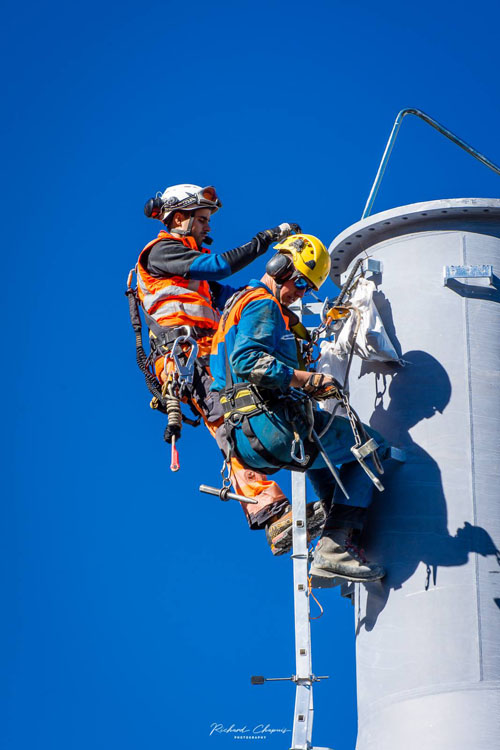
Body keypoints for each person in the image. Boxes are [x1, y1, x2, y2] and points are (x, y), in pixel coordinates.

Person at [133, 184, 325, 554]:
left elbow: (236, 297)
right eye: (202, 220)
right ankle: (271, 514)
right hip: (185, 357)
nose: (208, 228)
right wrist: (266, 240)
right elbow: (220, 265)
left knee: (239, 415)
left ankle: (271, 509)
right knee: (229, 421)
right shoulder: (162, 252)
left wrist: (285, 306)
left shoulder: (194, 277)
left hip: (204, 354)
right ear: (178, 218)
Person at [210, 233, 389, 585]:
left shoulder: (238, 305)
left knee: (321, 458)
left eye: (307, 288)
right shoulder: (263, 304)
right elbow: (248, 362)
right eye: (300, 282)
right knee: (372, 447)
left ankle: (335, 529)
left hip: (245, 439)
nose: (300, 293)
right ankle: (337, 545)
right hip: (272, 425)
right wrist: (304, 379)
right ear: (280, 267)